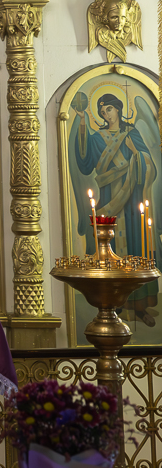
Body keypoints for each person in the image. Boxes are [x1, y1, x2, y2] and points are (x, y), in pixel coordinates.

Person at [71, 92, 157, 324]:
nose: (105, 114)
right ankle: (112, 305)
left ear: (118, 109)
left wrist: (136, 153)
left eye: (108, 109)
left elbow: (148, 164)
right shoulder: (97, 138)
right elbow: (85, 163)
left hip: (131, 200)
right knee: (110, 249)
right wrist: (82, 121)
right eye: (102, 111)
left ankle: (138, 306)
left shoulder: (131, 133)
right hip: (109, 198)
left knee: (136, 246)